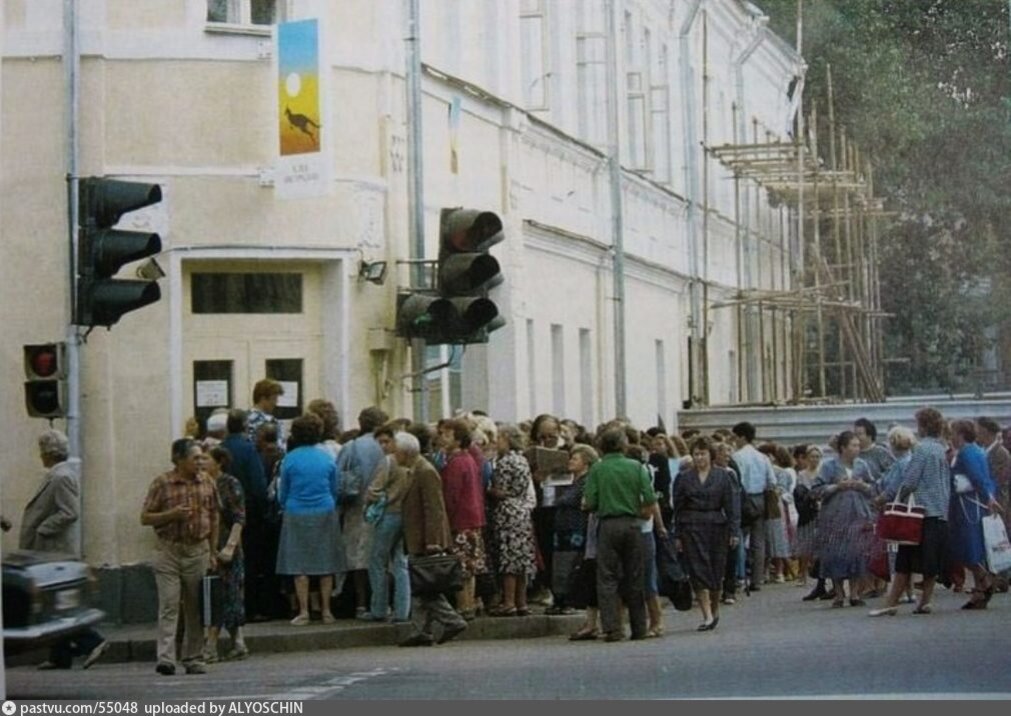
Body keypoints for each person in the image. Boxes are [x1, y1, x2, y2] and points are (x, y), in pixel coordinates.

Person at [22, 430, 108, 671]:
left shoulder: (61, 476)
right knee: (54, 602)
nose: (40, 456)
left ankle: (93, 641)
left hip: (53, 550)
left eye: (42, 451)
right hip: (49, 550)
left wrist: (42, 529)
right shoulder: (56, 474)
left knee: (55, 604)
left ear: (48, 453)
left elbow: (69, 512)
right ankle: (60, 656)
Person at [141, 439, 219, 675]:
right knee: (169, 604)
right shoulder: (162, 483)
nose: (200, 462)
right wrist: (171, 515)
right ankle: (166, 658)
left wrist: (213, 550)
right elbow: (145, 517)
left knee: (195, 606)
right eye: (195, 458)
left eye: (201, 458)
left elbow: (215, 516)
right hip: (169, 550)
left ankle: (193, 657)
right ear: (179, 460)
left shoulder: (207, 482)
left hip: (197, 550)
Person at [869, 409, 950, 616]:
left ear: (922, 426)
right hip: (938, 509)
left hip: (920, 511)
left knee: (904, 558)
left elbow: (911, 480)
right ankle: (925, 601)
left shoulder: (921, 450)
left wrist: (897, 496)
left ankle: (891, 602)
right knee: (930, 559)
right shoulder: (940, 448)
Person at [582, 427, 658, 643]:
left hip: (607, 524)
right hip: (632, 524)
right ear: (624, 445)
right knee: (635, 575)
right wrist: (640, 511)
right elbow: (649, 496)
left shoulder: (598, 469)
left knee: (606, 577)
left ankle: (613, 628)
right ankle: (639, 627)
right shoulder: (636, 466)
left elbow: (590, 501)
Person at [395, 432, 468, 647]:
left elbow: (433, 507)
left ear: (405, 452)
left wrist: (432, 540)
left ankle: (452, 620)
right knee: (421, 585)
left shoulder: (425, 472)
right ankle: (421, 630)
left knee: (427, 588)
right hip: (418, 536)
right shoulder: (414, 469)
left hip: (425, 538)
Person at [276, 413, 345, 625]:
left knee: (299, 564)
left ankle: (304, 611)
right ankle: (326, 611)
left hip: (296, 510)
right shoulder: (326, 458)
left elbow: (283, 491)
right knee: (326, 563)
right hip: (324, 509)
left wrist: (286, 504)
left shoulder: (290, 459)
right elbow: (335, 488)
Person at [673, 436, 740, 632]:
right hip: (691, 527)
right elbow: (677, 507)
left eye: (703, 454)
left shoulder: (723, 476)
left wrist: (734, 531)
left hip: (717, 527)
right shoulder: (684, 478)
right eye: (696, 454)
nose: (699, 458)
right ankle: (707, 614)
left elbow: (732, 505)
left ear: (710, 455)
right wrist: (677, 534)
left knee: (716, 570)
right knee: (697, 570)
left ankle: (715, 608)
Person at [810, 430, 876, 608]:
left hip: (858, 514)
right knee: (835, 553)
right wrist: (836, 486)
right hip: (834, 516)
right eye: (853, 445)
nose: (857, 448)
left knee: (857, 553)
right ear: (843, 448)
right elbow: (816, 489)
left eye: (857, 445)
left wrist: (862, 485)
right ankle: (839, 593)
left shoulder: (862, 465)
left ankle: (855, 593)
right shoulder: (829, 466)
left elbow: (874, 488)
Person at [336, 406, 389, 615]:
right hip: (384, 506)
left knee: (358, 558)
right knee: (382, 557)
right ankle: (384, 601)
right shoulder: (387, 446)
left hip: (356, 506)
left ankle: (361, 604)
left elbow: (338, 476)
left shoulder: (351, 446)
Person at [360, 421, 412, 622]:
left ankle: (379, 608)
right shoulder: (411, 462)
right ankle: (403, 610)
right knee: (400, 562)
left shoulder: (389, 462)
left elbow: (374, 490)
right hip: (404, 515)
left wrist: (370, 501)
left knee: (377, 562)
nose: (383, 446)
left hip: (387, 514)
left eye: (386, 442)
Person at [220, 409, 269, 622]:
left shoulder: (221, 448)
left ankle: (226, 606)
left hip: (222, 513)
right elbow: (259, 485)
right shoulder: (248, 449)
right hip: (248, 511)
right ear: (245, 426)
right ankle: (250, 608)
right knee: (251, 559)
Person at [947, 419, 1002, 610]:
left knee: (966, 547)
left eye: (953, 433)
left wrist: (988, 496)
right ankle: (979, 590)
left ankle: (984, 580)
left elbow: (977, 477)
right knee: (972, 546)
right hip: (974, 504)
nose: (951, 437)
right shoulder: (977, 450)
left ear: (960, 435)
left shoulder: (967, 453)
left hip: (966, 506)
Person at [485, 424, 537, 617]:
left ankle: (508, 602)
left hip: (507, 512)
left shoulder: (506, 462)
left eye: (499, 438)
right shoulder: (522, 459)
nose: (496, 442)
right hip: (522, 511)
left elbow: (500, 490)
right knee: (522, 561)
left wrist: (488, 490)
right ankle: (521, 602)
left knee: (508, 560)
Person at [202, 446, 248, 661]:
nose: (201, 462)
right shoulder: (201, 483)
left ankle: (212, 645)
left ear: (219, 462)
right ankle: (238, 642)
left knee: (229, 593)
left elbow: (239, 518)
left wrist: (230, 547)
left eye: (205, 458)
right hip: (206, 545)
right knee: (217, 593)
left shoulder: (229, 483)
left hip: (226, 542)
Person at [438, 418, 487, 620]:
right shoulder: (469, 460)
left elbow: (451, 495)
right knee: (470, 566)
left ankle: (463, 605)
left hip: (460, 521)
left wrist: (445, 521)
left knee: (460, 566)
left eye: (446, 434)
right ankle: (469, 603)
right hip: (474, 519)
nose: (441, 438)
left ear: (458, 440)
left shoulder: (455, 463)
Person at [731, 422, 777, 591]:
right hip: (760, 497)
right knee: (759, 540)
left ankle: (741, 575)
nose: (734, 440)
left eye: (735, 437)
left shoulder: (737, 457)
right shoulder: (762, 457)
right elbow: (772, 481)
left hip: (743, 497)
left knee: (740, 537)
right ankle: (757, 579)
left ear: (742, 437)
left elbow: (737, 479)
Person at [976, 417, 1011, 536]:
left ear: (985, 431)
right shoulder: (982, 451)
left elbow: (1000, 479)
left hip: (998, 501)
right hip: (985, 502)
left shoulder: (1001, 453)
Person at [247, 378, 285, 448]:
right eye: (274, 399)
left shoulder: (243, 419)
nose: (276, 403)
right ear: (263, 399)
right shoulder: (272, 423)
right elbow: (280, 449)